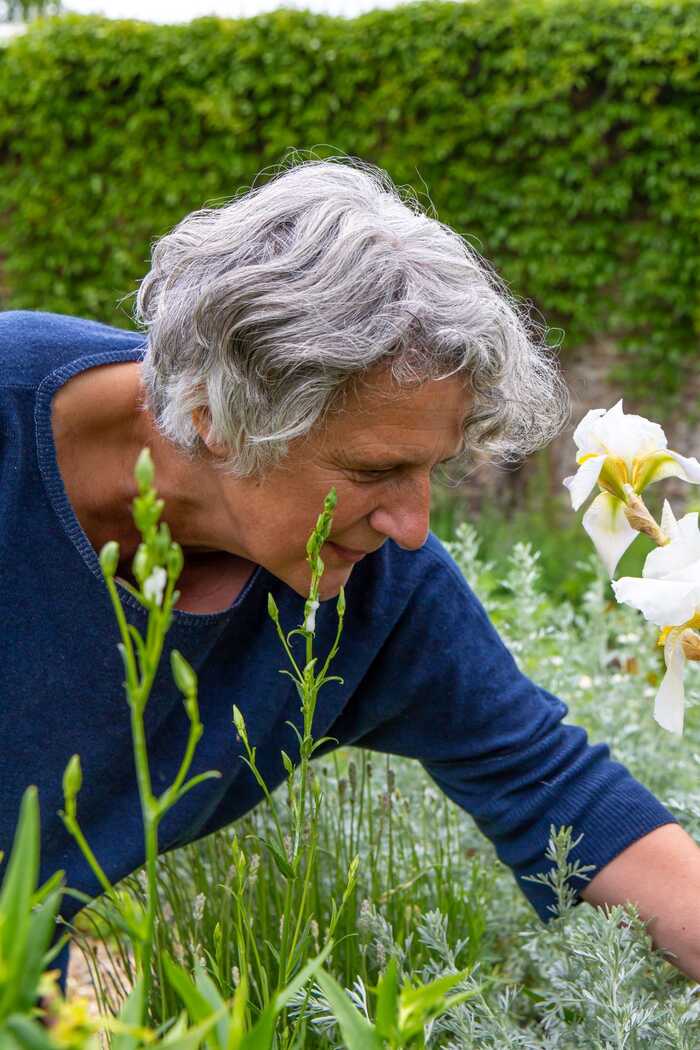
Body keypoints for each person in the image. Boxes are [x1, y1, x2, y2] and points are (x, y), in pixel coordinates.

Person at [2, 155, 699, 985]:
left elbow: (558, 790)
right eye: (373, 473)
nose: (412, 528)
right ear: (215, 418)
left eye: (430, 473)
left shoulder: (375, 593)